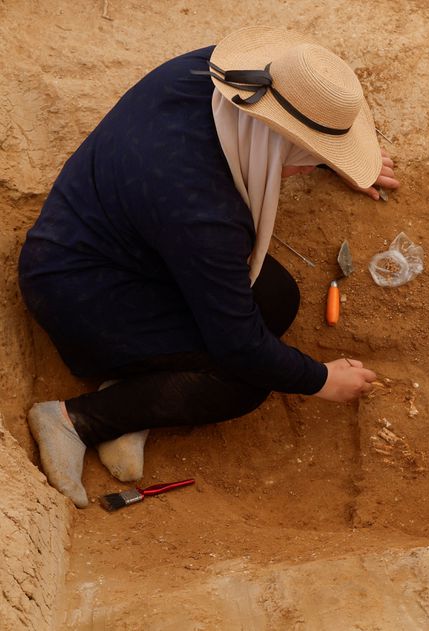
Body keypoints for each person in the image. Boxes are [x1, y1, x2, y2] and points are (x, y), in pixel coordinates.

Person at [18, 26, 400, 508]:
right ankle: (77, 418)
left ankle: (137, 393)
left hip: (116, 242)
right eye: (303, 159)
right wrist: (321, 381)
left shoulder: (211, 73)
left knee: (277, 297)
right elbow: (239, 347)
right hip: (81, 297)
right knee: (243, 383)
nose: (302, 169)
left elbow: (275, 125)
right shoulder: (202, 211)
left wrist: (339, 158)